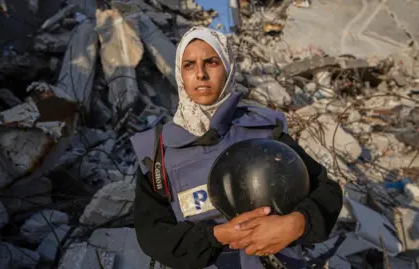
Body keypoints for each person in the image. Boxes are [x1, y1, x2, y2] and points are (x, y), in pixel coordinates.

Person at [130, 26, 343, 269]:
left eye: (211, 62)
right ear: (180, 74)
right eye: (189, 65)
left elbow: (327, 190)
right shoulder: (158, 153)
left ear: (229, 68)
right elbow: (153, 236)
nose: (200, 74)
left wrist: (296, 223)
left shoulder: (265, 132)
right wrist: (218, 235)